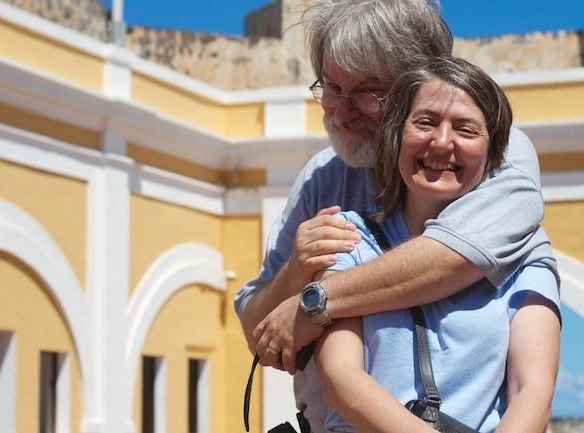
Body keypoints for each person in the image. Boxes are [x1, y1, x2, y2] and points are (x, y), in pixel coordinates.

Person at [234, 0, 559, 431]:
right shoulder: (323, 183)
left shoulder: (504, 160)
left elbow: (448, 258)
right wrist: (296, 272)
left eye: (368, 91)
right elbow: (267, 336)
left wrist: (314, 301)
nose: (342, 111)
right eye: (331, 87)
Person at [313, 56, 561, 433]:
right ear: (397, 134)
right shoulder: (349, 237)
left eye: (465, 130)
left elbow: (532, 391)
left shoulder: (525, 254)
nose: (442, 142)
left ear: (492, 152)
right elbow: (340, 379)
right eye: (425, 122)